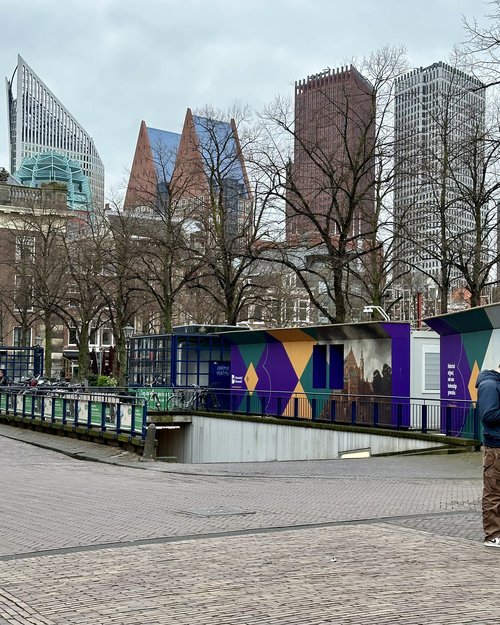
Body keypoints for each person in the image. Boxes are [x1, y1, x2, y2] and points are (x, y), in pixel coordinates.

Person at [476, 365, 500, 547]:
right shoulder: (490, 385)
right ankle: (492, 536)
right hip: (495, 448)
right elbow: (489, 415)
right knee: (493, 492)